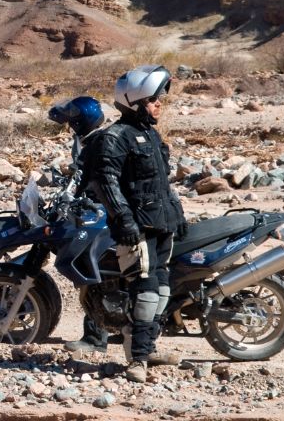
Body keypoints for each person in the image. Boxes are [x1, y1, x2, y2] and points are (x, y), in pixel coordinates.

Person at [81, 66, 188, 383]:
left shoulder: (151, 135)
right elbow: (105, 182)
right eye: (155, 99)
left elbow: (162, 183)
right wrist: (123, 218)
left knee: (163, 291)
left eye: (160, 99)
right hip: (136, 228)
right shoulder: (115, 138)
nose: (160, 105)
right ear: (136, 101)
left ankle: (148, 348)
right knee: (145, 293)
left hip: (160, 224)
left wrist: (178, 214)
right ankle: (137, 359)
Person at [49, 96, 119, 355]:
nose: (69, 127)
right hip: (111, 211)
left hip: (112, 214)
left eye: (72, 122)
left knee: (96, 267)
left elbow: (105, 178)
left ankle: (96, 336)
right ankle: (120, 328)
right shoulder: (91, 139)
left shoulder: (100, 142)